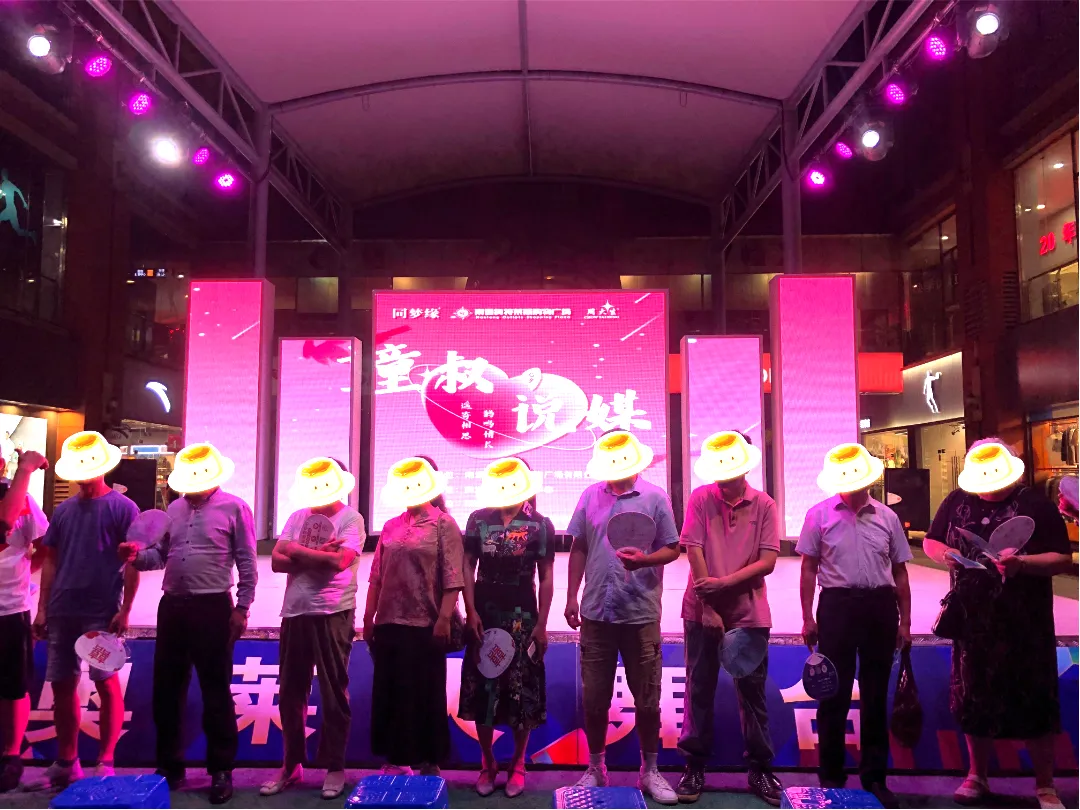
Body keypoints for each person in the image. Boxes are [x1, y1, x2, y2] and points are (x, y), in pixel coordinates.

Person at [922, 440, 1072, 810]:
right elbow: (931, 541)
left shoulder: (1034, 503)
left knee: (1035, 695)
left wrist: (1024, 563)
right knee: (974, 694)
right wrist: (947, 554)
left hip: (1026, 619)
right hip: (972, 618)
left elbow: (1062, 558)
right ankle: (977, 776)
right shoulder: (957, 500)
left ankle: (1045, 785)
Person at [119, 442, 257, 805]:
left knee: (216, 690)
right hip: (172, 606)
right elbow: (160, 557)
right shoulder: (174, 510)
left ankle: (221, 769)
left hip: (213, 606)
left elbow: (246, 561)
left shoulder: (235, 507)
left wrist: (242, 607)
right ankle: (170, 766)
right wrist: (135, 557)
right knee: (166, 690)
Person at [564, 429, 680, 805]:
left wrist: (645, 561)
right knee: (595, 698)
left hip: (640, 612)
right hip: (596, 612)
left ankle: (650, 771)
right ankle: (596, 767)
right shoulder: (589, 496)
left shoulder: (655, 497)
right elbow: (579, 546)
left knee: (647, 699)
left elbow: (673, 548)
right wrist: (571, 596)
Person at [797, 443, 912, 809]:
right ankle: (831, 776)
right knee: (833, 693)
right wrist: (807, 616)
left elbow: (900, 571)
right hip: (837, 606)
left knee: (876, 695)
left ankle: (875, 777)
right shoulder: (818, 515)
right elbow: (808, 569)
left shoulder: (887, 517)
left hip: (880, 606)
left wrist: (906, 621)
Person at [676, 432, 782, 806]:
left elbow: (767, 562)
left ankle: (760, 768)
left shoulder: (765, 504)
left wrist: (723, 584)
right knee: (698, 689)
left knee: (753, 693)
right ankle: (694, 765)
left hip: (749, 613)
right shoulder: (700, 498)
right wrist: (708, 606)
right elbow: (694, 550)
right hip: (701, 612)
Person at [33, 432, 139, 790]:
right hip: (62, 610)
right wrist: (43, 608)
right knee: (62, 684)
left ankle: (105, 760)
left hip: (101, 611)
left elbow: (134, 561)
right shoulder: (63, 511)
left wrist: (126, 609)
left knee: (105, 683)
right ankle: (67, 762)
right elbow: (51, 561)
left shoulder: (123, 508)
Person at [260, 458, 365, 801]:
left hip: (333, 611)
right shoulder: (296, 517)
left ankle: (335, 766)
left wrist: (296, 551)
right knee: (291, 691)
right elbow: (277, 562)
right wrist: (313, 553)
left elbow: (339, 562)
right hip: (295, 611)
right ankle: (291, 765)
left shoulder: (351, 519)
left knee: (334, 691)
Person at [458, 457, 555, 798]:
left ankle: (518, 763)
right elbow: (467, 565)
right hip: (484, 614)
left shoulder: (540, 524)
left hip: (523, 616)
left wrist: (542, 624)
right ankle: (488, 762)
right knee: (483, 687)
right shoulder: (478, 519)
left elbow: (546, 577)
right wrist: (470, 611)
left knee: (520, 690)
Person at [363, 456, 464, 775]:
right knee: (392, 693)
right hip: (389, 623)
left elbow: (454, 577)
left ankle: (429, 763)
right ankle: (396, 761)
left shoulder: (443, 524)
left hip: (426, 624)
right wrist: (368, 618)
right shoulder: (391, 526)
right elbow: (376, 576)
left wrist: (444, 619)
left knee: (425, 693)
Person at [0, 449, 49, 791]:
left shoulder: (24, 500)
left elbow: (44, 543)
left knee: (13, 684)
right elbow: (4, 520)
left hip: (10, 607)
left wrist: (24, 574)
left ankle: (11, 754)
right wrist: (27, 468)